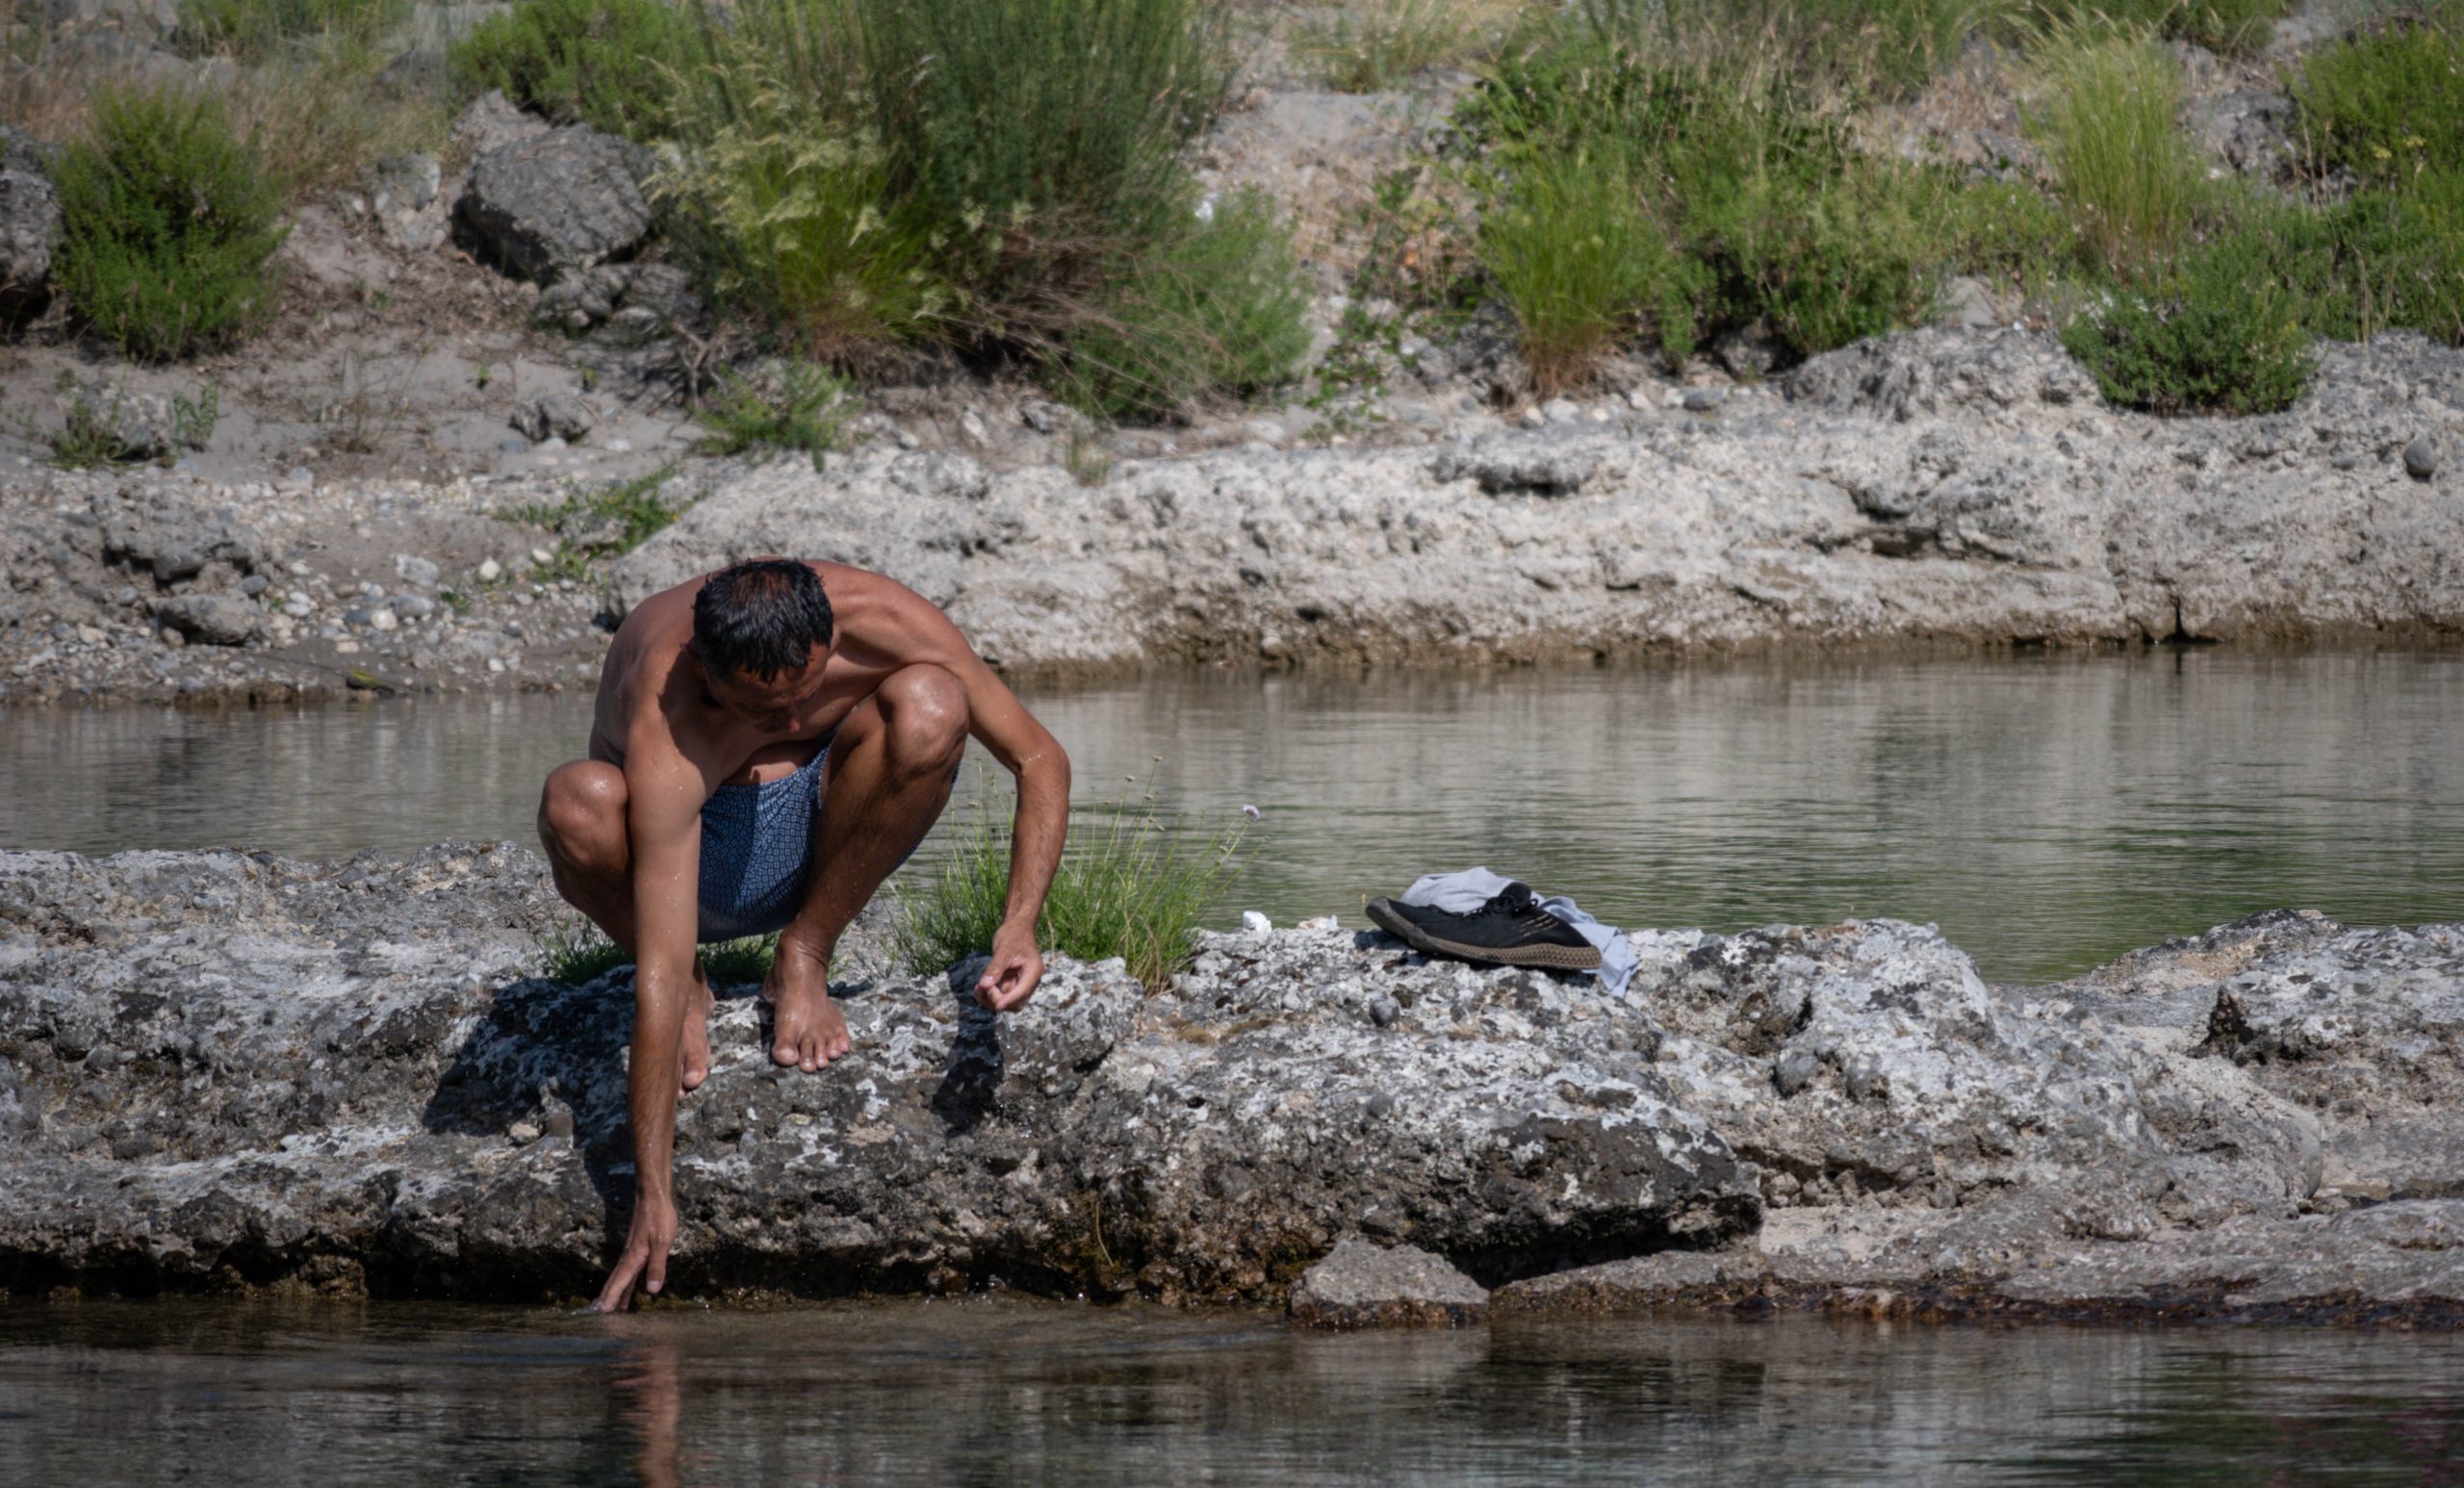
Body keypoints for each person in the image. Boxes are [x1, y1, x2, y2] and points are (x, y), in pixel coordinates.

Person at [535, 557, 1070, 1312]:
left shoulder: (882, 616)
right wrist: (651, 1197)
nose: (790, 725)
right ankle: (706, 983)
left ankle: (804, 953)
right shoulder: (668, 713)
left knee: (931, 701)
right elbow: (648, 978)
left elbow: (1039, 756)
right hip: (695, 867)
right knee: (577, 801)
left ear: (828, 635)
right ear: (704, 670)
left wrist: (1019, 924)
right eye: (760, 710)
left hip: (821, 829)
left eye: (806, 695)